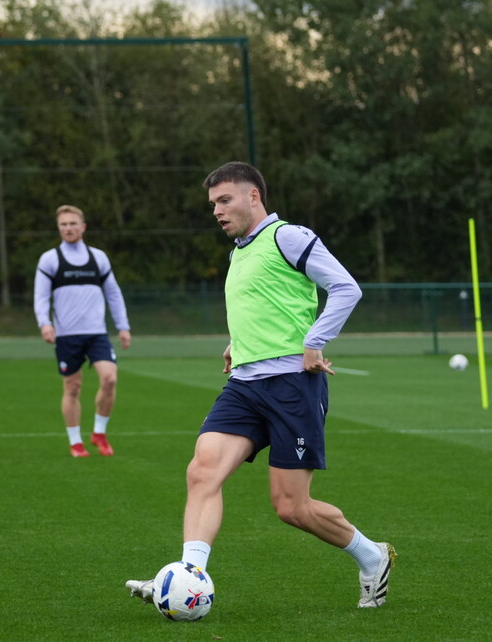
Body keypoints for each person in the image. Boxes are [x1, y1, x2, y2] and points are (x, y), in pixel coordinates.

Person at [125, 162, 395, 609]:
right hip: (246, 384)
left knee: (292, 508)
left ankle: (372, 556)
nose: (217, 211)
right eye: (213, 204)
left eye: (225, 200)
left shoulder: (288, 236)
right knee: (202, 471)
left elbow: (346, 288)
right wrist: (238, 342)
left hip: (293, 384)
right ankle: (188, 579)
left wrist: (315, 341)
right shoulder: (239, 251)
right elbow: (266, 304)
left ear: (254, 197)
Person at [34, 204, 132, 458]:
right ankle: (75, 441)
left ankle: (99, 432)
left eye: (72, 224)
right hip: (67, 336)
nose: (68, 228)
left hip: (96, 333)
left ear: (83, 227)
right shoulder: (50, 259)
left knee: (110, 379)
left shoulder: (98, 258)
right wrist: (45, 323)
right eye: (63, 225)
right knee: (72, 388)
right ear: (59, 229)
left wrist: (123, 326)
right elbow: (41, 297)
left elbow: (113, 293)